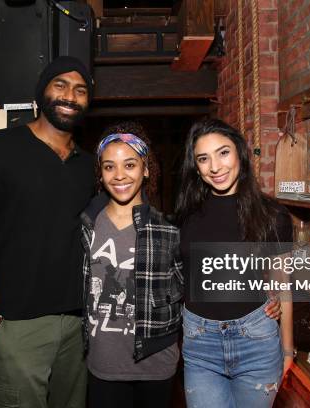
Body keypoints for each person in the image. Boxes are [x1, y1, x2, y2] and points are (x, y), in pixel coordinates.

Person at [0, 56, 95, 408]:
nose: (70, 95)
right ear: (41, 94)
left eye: (80, 90)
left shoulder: (89, 165)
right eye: (60, 85)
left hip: (79, 326)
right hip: (17, 324)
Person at [175, 119, 294, 408]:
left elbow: (284, 286)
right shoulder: (186, 216)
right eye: (203, 159)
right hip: (200, 344)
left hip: (256, 339)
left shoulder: (272, 215)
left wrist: (288, 350)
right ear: (196, 166)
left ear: (240, 153)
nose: (215, 167)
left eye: (223, 153)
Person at [80, 122, 182, 408]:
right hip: (103, 365)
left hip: (156, 365)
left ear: (146, 169)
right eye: (109, 166)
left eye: (130, 164)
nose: (120, 175)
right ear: (100, 173)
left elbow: (192, 291)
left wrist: (261, 300)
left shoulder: (168, 230)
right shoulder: (86, 224)